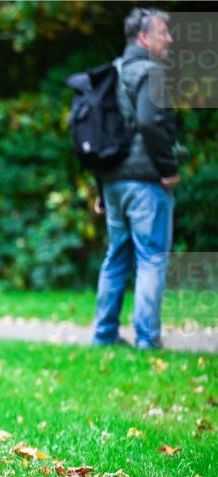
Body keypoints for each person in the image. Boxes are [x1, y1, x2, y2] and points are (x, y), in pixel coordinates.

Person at [92, 8, 182, 350]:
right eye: (163, 32)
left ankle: (104, 335)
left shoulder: (112, 73)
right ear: (143, 37)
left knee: (116, 257)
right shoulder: (152, 72)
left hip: (114, 181)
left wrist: (102, 186)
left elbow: (101, 134)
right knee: (152, 258)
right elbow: (149, 123)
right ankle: (147, 339)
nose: (169, 39)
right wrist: (167, 168)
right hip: (145, 183)